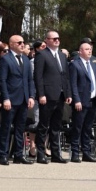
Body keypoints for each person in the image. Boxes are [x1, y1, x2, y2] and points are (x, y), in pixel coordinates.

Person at [33, 30, 72, 164]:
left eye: (58, 38)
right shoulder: (42, 54)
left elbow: (65, 76)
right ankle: (40, 154)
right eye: (54, 38)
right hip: (47, 95)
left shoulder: (61, 55)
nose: (57, 40)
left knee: (56, 126)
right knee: (43, 126)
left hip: (60, 95)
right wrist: (41, 94)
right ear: (47, 40)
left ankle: (56, 154)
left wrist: (68, 93)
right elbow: (38, 76)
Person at [0, 35, 36, 165]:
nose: (22, 44)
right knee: (6, 127)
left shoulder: (25, 59)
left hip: (23, 99)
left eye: (23, 42)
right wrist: (5, 98)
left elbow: (30, 80)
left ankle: (18, 154)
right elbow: (2, 81)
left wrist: (31, 96)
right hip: (10, 99)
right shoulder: (5, 59)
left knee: (20, 128)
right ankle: (3, 155)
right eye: (19, 42)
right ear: (12, 44)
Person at [68, 42, 96, 163]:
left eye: (90, 49)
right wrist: (76, 100)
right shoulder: (75, 64)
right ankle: (75, 153)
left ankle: (86, 153)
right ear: (80, 51)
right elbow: (73, 84)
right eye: (87, 49)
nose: (90, 51)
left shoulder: (94, 64)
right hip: (81, 101)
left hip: (92, 101)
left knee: (88, 128)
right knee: (77, 128)